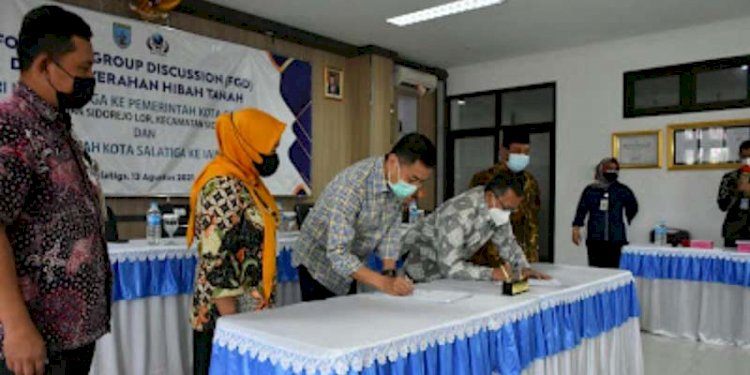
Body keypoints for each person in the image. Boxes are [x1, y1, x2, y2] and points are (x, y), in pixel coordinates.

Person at [0, 6, 110, 375]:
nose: (90, 79)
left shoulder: (56, 126)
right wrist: (15, 326)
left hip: (70, 335)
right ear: (46, 66)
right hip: (33, 341)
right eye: (82, 70)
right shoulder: (12, 126)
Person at [186, 109, 285, 375]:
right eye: (270, 147)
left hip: (247, 309)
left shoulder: (246, 181)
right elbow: (215, 256)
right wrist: (234, 325)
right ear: (248, 144)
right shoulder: (222, 185)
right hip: (226, 314)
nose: (274, 155)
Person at [293, 133, 436, 301]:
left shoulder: (395, 183)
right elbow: (338, 254)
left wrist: (388, 273)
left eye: (421, 182)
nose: (417, 189)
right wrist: (384, 283)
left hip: (351, 266)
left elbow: (390, 231)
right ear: (392, 162)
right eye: (413, 179)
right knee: (323, 323)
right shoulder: (352, 186)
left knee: (350, 318)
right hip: (319, 266)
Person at [402, 172, 549, 282]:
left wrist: (524, 268)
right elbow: (451, 268)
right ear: (491, 197)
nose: (508, 215)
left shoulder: (497, 210)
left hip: (446, 283)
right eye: (507, 208)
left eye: (513, 210)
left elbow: (507, 243)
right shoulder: (457, 215)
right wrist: (492, 274)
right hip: (417, 280)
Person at [468, 128, 541, 267]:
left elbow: (533, 223)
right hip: (489, 261)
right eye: (517, 151)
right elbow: (478, 221)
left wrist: (531, 257)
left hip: (522, 259)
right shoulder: (484, 179)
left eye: (526, 152)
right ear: (503, 151)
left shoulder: (531, 183)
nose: (522, 156)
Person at [572, 158, 638, 268]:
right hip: (595, 239)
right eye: (609, 169)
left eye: (615, 169)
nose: (612, 172)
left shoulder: (622, 190)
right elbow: (581, 210)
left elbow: (633, 206)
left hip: (616, 239)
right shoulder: (590, 190)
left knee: (614, 271)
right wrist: (576, 229)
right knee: (596, 270)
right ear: (600, 170)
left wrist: (628, 219)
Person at [718, 140, 750, 247]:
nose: (747, 160)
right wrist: (737, 191)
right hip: (734, 232)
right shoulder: (729, 178)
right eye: (744, 157)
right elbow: (722, 205)